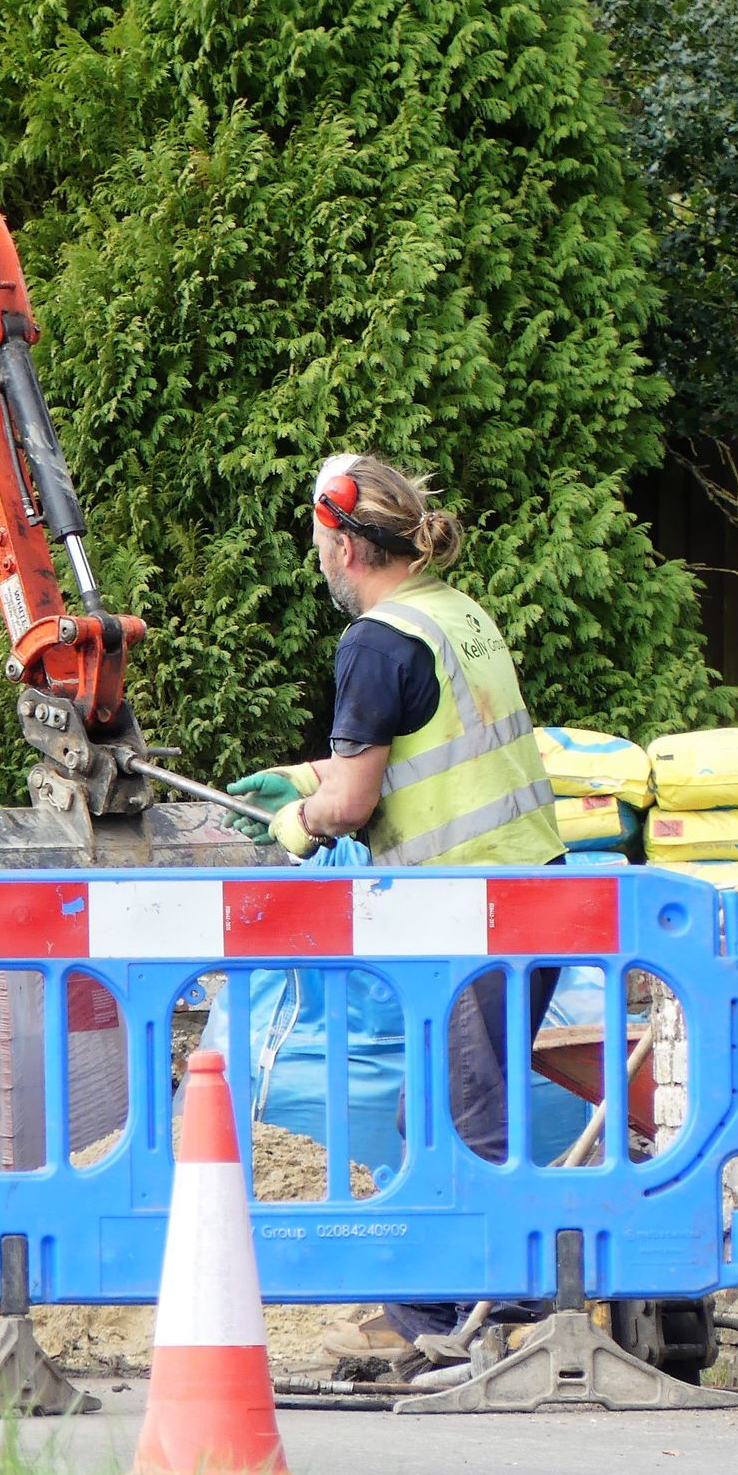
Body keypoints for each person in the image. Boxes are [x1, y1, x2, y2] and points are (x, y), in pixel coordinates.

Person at [227, 451, 564, 1364]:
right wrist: (311, 773)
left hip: (466, 914)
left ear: (342, 542)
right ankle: (460, 1313)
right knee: (454, 1112)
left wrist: (297, 820)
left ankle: (498, 1321)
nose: (316, 557)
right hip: (536, 895)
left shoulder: (374, 642)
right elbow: (429, 747)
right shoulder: (458, 615)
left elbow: (351, 806)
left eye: (316, 539)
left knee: (462, 1118)